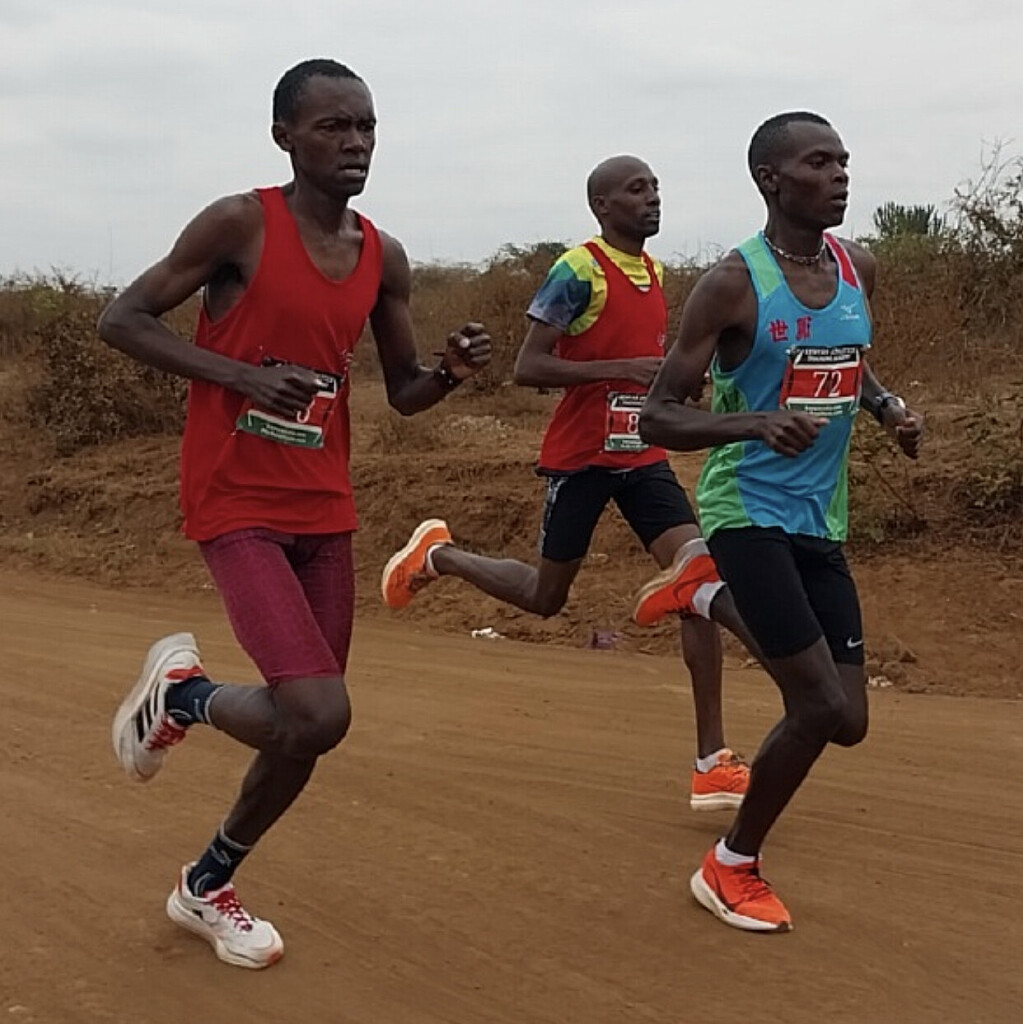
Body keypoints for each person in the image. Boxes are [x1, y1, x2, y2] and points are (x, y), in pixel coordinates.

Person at [97, 58, 491, 969]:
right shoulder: (241, 223)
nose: (355, 143)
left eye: (366, 127)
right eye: (332, 126)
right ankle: (185, 696)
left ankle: (206, 884)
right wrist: (239, 374)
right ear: (284, 136)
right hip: (234, 496)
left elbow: (403, 394)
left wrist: (448, 373)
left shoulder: (382, 255)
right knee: (317, 712)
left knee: (304, 726)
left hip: (324, 503)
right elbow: (122, 319)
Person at [382, 155, 761, 813]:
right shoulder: (577, 271)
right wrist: (624, 368)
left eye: (655, 188)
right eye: (636, 190)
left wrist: (671, 384)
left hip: (639, 455)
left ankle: (711, 761)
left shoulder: (655, 273)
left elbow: (650, 370)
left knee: (696, 576)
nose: (652, 198)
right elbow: (529, 367)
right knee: (544, 597)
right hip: (581, 458)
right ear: (602, 206)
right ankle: (438, 556)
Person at [639, 112, 924, 933]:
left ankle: (701, 594)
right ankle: (730, 865)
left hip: (818, 516)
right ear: (770, 179)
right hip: (745, 508)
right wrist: (753, 423)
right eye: (817, 162)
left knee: (849, 721)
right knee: (815, 706)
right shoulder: (732, 285)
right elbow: (657, 416)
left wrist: (885, 408)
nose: (838, 175)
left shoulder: (856, 266)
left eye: (842, 161)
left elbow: (849, 358)